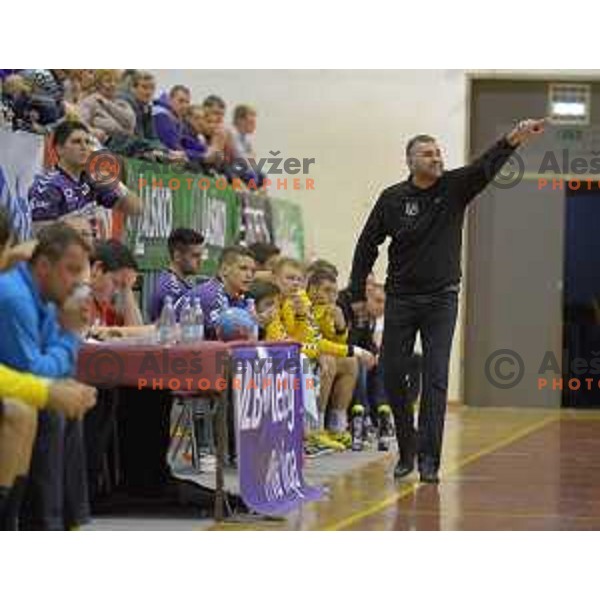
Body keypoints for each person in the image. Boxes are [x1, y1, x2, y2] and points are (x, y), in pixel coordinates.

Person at [348, 118, 545, 483]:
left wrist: (513, 137)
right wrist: (357, 290)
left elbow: (486, 166)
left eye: (438, 152)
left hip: (442, 299)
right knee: (392, 373)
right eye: (427, 153)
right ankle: (406, 450)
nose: (436, 157)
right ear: (410, 161)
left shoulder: (454, 187)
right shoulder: (392, 199)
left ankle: (428, 461)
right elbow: (366, 245)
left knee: (436, 378)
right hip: (402, 299)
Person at [0, 209, 96, 530]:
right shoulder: (13, 295)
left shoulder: (46, 296)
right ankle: (39, 526)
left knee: (71, 400)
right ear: (43, 266)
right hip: (13, 388)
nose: (77, 283)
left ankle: (68, 524)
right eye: (71, 271)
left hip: (14, 384)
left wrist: (66, 335)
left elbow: (54, 368)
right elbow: (35, 371)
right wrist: (69, 336)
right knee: (44, 410)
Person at [28, 120, 142, 239]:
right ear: (59, 149)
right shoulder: (47, 185)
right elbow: (41, 235)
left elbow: (136, 208)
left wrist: (112, 181)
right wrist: (75, 223)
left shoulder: (92, 180)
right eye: (76, 142)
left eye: (87, 142)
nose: (84, 147)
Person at [177, 245, 256, 339]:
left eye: (253, 271)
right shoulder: (211, 296)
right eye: (243, 268)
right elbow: (223, 338)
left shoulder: (236, 296)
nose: (249, 275)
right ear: (224, 270)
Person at [149, 228, 205, 322]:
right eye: (195, 256)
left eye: (201, 256)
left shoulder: (177, 282)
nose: (200, 261)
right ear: (177, 256)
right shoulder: (172, 289)